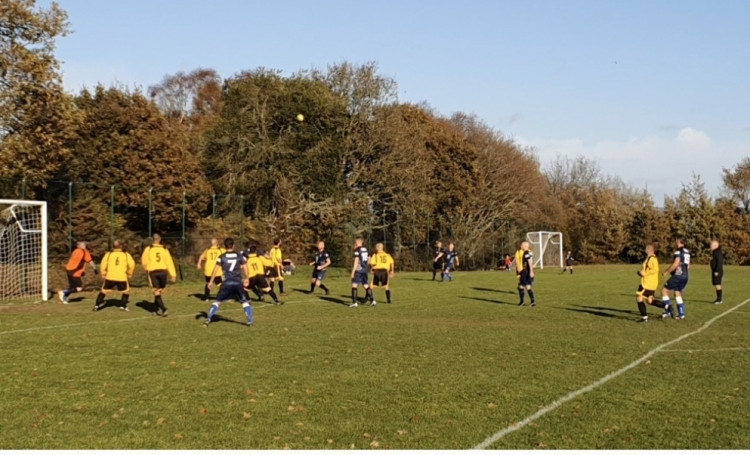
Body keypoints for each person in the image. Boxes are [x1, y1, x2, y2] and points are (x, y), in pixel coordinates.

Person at [204, 238, 253, 327]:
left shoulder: (221, 257)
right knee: (244, 302)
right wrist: (247, 278)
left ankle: (208, 319)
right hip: (238, 282)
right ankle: (249, 321)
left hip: (227, 282)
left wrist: (211, 282)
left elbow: (215, 270)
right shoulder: (240, 256)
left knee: (217, 302)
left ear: (225, 246)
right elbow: (246, 267)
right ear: (233, 245)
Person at [93, 240, 135, 312]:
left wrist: (103, 273)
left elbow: (103, 264)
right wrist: (129, 273)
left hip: (110, 276)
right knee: (126, 292)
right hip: (121, 277)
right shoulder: (125, 254)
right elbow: (132, 264)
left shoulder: (109, 254)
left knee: (103, 291)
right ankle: (122, 306)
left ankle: (96, 306)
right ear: (121, 246)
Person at [141, 233, 177, 317]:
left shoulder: (148, 249)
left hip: (153, 272)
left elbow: (144, 261)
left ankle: (164, 309)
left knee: (157, 292)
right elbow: (169, 262)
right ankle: (156, 308)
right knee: (158, 291)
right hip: (163, 272)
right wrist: (173, 275)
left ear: (152, 240)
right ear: (160, 239)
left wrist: (147, 268)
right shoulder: (164, 249)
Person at [659, 237, 690, 320]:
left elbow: (676, 264)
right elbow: (688, 266)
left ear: (679, 241)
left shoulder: (678, 251)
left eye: (676, 240)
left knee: (664, 291)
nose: (675, 241)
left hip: (678, 275)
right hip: (685, 276)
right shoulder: (687, 252)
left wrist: (666, 271)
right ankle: (681, 314)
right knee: (677, 293)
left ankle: (668, 311)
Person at [635, 244, 660, 322]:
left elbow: (655, 269)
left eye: (647, 248)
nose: (645, 249)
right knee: (649, 300)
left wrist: (644, 274)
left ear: (650, 250)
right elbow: (647, 269)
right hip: (649, 282)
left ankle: (644, 318)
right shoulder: (649, 258)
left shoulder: (652, 258)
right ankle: (667, 306)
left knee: (639, 297)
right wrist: (641, 273)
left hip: (648, 283)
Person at [350, 237, 374, 307]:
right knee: (365, 284)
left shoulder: (357, 250)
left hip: (358, 270)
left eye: (355, 242)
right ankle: (373, 300)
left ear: (357, 242)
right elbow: (369, 258)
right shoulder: (366, 249)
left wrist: (353, 271)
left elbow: (356, 261)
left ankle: (354, 302)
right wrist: (367, 266)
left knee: (354, 285)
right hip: (364, 269)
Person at [516, 241, 536, 307]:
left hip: (526, 271)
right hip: (527, 271)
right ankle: (529, 302)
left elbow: (529, 262)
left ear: (525, 246)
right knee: (522, 286)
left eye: (522, 245)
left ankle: (528, 302)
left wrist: (531, 271)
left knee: (525, 286)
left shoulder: (526, 252)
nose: (521, 246)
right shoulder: (529, 252)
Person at [710, 240, 724, 304]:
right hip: (715, 270)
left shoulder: (718, 252)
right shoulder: (715, 252)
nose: (710, 246)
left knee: (717, 284)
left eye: (711, 245)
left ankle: (719, 299)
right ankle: (718, 298)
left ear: (715, 245)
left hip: (717, 271)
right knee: (716, 284)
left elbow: (719, 262)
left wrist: (717, 271)